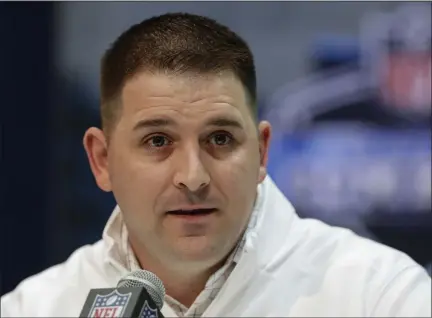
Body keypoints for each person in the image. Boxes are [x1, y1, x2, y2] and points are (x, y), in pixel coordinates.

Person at [1, 12, 431, 317]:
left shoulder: (380, 296)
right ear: (102, 160)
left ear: (262, 152)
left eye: (220, 139)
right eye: (158, 141)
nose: (193, 176)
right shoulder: (36, 308)